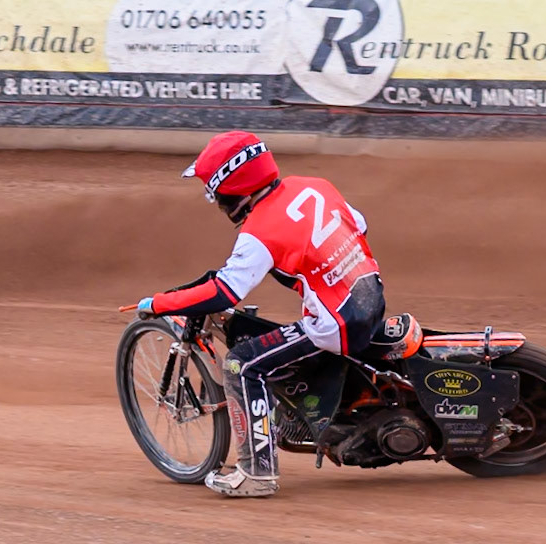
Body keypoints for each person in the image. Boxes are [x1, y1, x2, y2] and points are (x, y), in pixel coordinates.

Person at [134, 131, 385, 498]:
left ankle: (257, 473)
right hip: (371, 295)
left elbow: (224, 293)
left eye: (216, 195)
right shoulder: (314, 185)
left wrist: (158, 303)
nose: (218, 204)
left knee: (241, 365)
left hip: (334, 323)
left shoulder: (260, 231)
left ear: (233, 190)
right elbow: (359, 224)